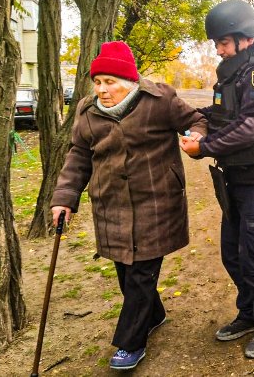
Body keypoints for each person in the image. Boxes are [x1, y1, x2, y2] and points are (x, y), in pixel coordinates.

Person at [51, 41, 207, 370]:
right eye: (97, 82)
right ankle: (155, 314)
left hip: (156, 201)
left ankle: (130, 342)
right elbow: (78, 157)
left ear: (129, 82)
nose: (102, 90)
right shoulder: (87, 112)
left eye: (110, 82)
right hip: (111, 204)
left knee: (140, 273)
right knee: (125, 270)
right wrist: (65, 198)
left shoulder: (160, 100)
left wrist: (195, 137)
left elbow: (196, 120)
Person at [180, 0, 254, 359]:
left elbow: (252, 126)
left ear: (244, 36)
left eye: (222, 42)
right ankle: (249, 313)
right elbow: (217, 114)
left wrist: (204, 148)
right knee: (233, 255)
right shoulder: (234, 75)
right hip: (240, 181)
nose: (218, 49)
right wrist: (188, 120)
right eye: (217, 43)